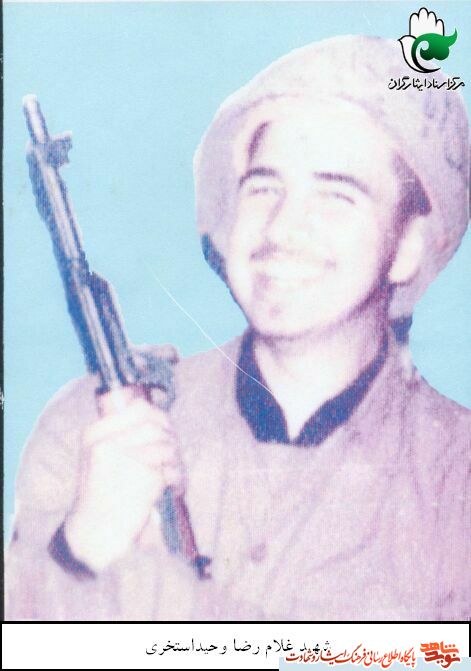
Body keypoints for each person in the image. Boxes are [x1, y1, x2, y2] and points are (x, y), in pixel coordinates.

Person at [6, 35, 470, 621]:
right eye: (263, 187)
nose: (281, 228)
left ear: (408, 247)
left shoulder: (455, 480)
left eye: (336, 196)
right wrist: (78, 551)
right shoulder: (90, 431)